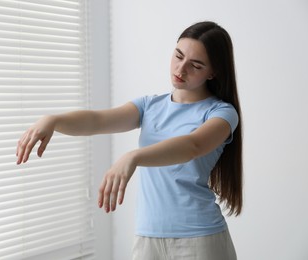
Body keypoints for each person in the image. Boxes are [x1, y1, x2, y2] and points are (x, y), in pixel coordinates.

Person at [16, 21, 242, 260]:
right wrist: (53, 120)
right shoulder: (149, 106)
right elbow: (97, 121)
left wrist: (134, 157)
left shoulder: (221, 113)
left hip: (201, 239)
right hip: (147, 237)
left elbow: (192, 146)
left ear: (213, 72)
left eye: (195, 65)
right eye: (178, 55)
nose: (181, 68)